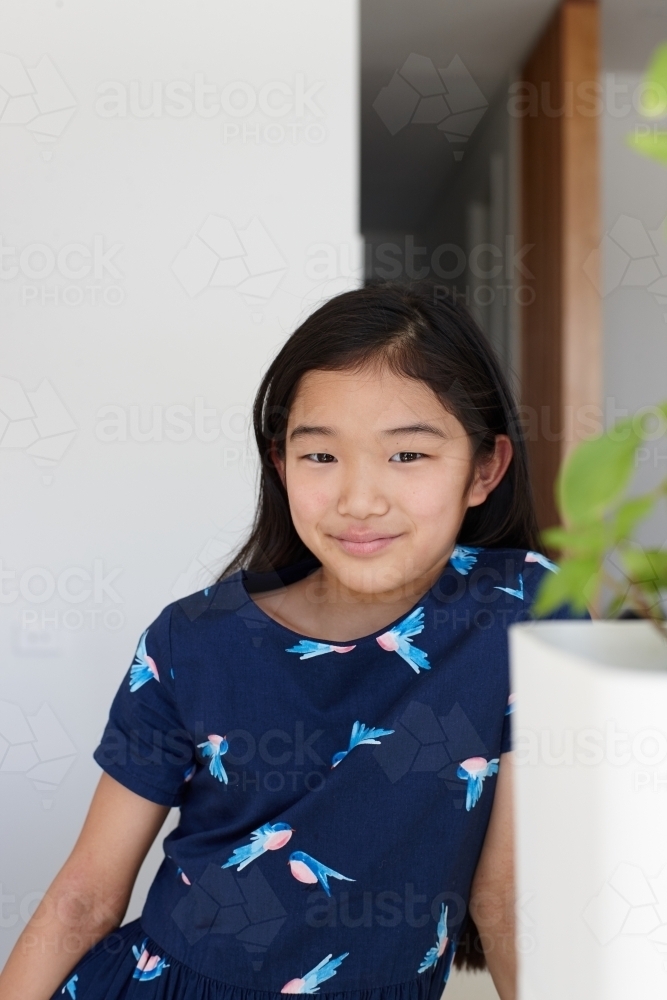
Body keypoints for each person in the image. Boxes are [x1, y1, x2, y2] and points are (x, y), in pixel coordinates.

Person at [0, 282, 572, 1000]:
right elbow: (86, 892)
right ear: (280, 463)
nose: (359, 499)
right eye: (320, 456)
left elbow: (507, 894)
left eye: (407, 456)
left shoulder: (522, 610)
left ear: (483, 469)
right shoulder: (190, 641)